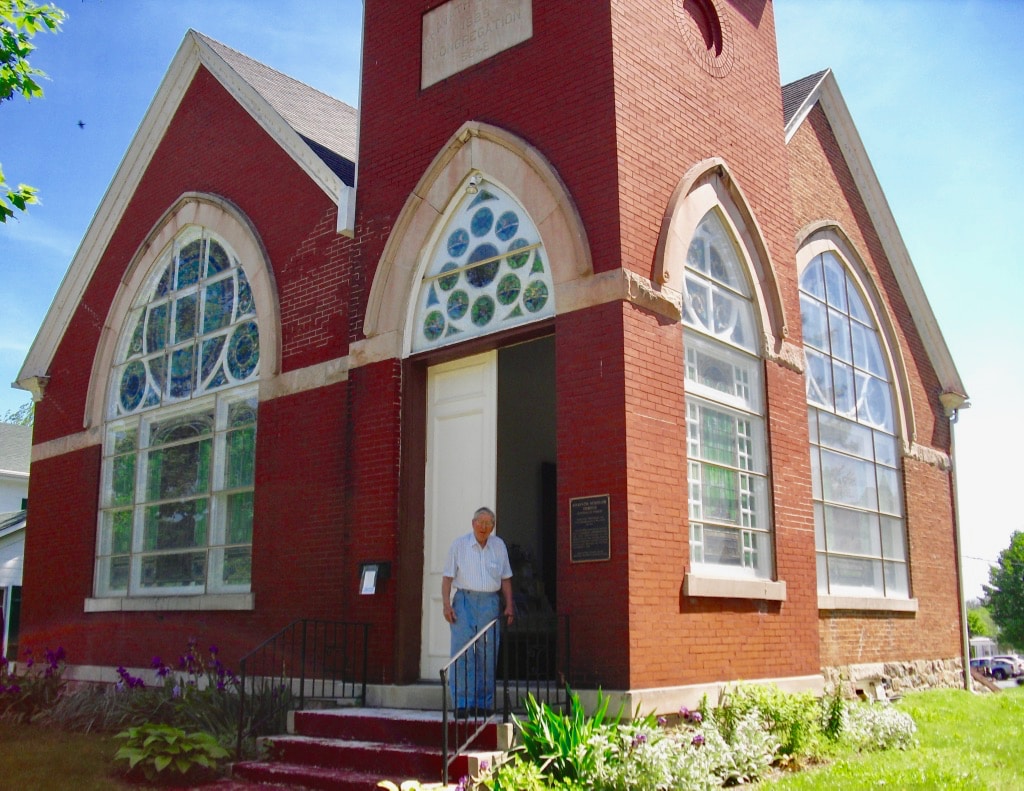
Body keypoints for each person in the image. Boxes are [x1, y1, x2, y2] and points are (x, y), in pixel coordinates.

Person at [441, 506, 514, 716]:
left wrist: (509, 605)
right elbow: (447, 578)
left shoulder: (499, 546)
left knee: (487, 654)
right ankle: (462, 703)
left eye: (488, 523)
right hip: (464, 601)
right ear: (473, 524)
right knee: (462, 652)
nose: (483, 527)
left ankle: (483, 704)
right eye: (480, 523)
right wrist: (446, 604)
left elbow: (506, 578)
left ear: (493, 527)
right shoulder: (459, 545)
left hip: (490, 603)